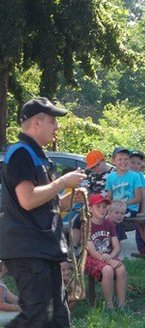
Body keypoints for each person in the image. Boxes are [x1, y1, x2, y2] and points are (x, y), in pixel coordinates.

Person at [0, 97, 87, 327]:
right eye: (52, 121)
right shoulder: (20, 153)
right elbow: (27, 200)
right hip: (29, 250)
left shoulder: (37, 154)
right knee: (38, 318)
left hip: (43, 249)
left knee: (59, 318)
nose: (56, 127)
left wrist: (68, 199)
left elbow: (45, 203)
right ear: (36, 123)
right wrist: (63, 181)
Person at [83, 194, 127, 310]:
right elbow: (92, 251)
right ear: (90, 208)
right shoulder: (87, 224)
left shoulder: (109, 224)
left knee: (121, 269)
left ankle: (122, 305)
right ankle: (109, 306)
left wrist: (111, 258)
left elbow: (116, 246)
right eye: (98, 207)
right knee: (107, 270)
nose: (102, 209)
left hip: (108, 257)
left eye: (104, 207)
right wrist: (109, 261)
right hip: (91, 259)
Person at [105, 147, 144, 240]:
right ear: (113, 161)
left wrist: (123, 203)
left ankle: (116, 242)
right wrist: (105, 207)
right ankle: (103, 242)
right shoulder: (110, 177)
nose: (123, 161)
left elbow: (138, 198)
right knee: (100, 217)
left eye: (126, 159)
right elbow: (109, 197)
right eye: (120, 159)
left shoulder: (135, 176)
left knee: (114, 217)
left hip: (130, 208)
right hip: (115, 208)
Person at [0, 261, 21, 326]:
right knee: (25, 316)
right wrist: (21, 308)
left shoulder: (2, 284)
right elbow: (1, 305)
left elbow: (15, 299)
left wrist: (32, 304)